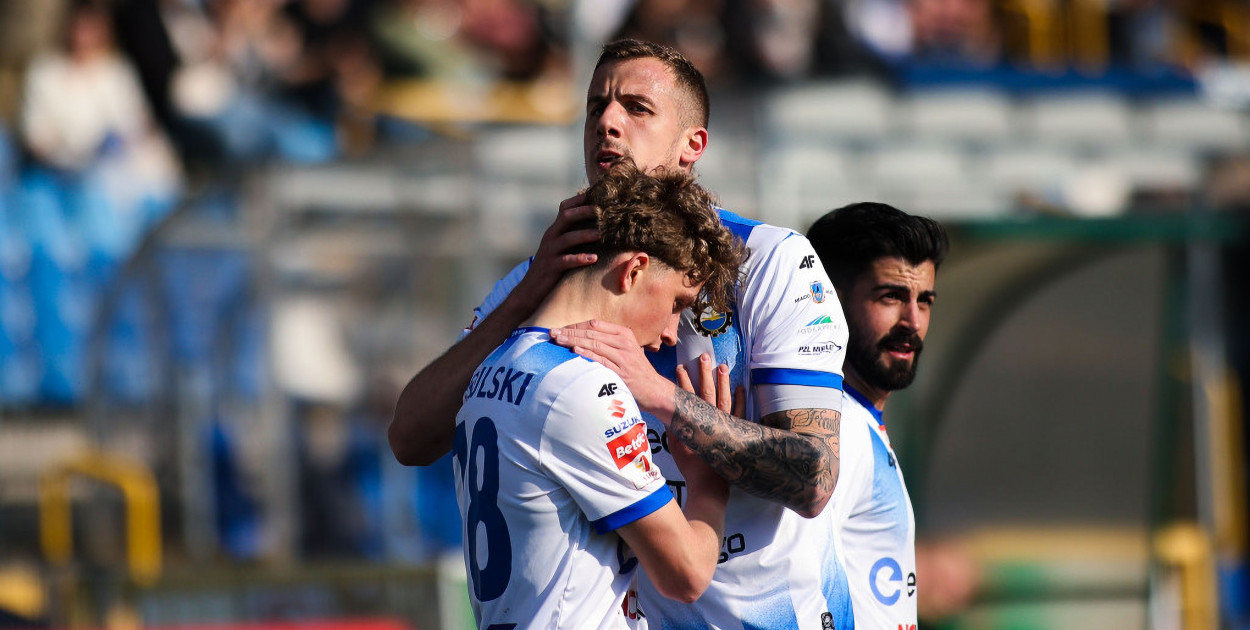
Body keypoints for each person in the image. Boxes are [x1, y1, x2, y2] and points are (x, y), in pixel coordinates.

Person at [390, 38, 854, 629]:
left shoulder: (770, 262)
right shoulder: (543, 278)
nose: (606, 122)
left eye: (637, 107)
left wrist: (667, 401)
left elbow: (814, 478)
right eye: (595, 106)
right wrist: (528, 296)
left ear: (692, 145)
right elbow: (411, 437)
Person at [452, 161, 745, 628]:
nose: (673, 333)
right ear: (634, 271)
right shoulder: (583, 388)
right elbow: (686, 574)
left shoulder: (489, 368)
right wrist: (710, 479)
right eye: (677, 304)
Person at [805, 202, 949, 630]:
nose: (912, 322)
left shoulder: (858, 420)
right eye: (891, 297)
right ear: (832, 299)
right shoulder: (839, 427)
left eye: (924, 301)